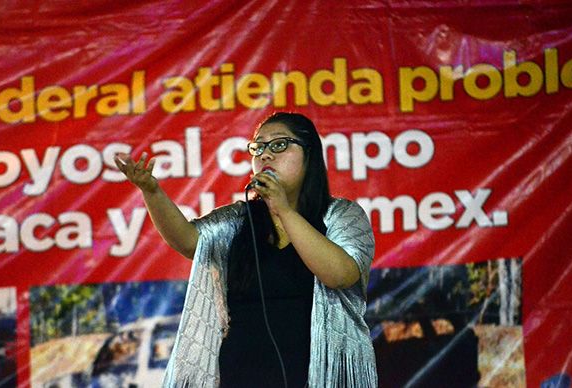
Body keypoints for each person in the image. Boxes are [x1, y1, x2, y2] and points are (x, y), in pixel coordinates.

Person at [115, 112, 377, 387]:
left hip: (315, 376)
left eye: (278, 145)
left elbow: (341, 275)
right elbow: (190, 241)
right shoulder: (239, 220)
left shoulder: (341, 215)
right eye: (258, 147)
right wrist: (152, 191)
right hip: (242, 373)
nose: (265, 155)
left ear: (309, 154)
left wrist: (283, 209)